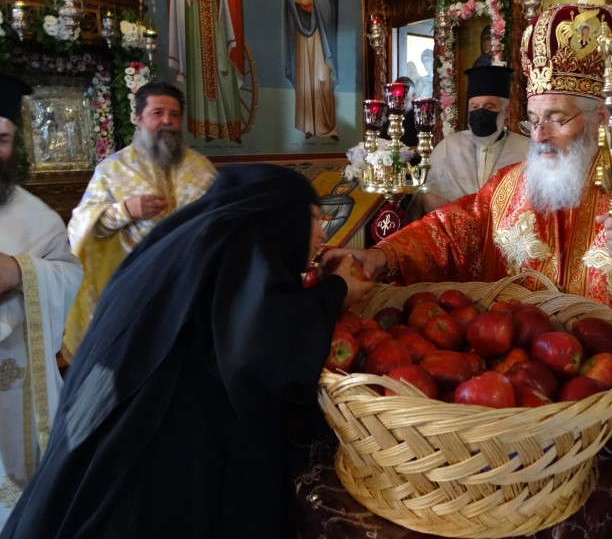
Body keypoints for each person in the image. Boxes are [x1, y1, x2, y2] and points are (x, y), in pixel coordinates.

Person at [323, 3, 612, 496]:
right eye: (533, 118)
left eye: (556, 119)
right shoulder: (514, 184)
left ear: (600, 117)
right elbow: (453, 228)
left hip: (608, 412)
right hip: (511, 407)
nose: (539, 137)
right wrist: (384, 256)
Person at [0, 163, 374, 539]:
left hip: (116, 418)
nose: (323, 230)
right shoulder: (240, 246)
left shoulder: (198, 235)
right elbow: (263, 353)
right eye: (313, 217)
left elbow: (243, 316)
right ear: (280, 213)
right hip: (163, 449)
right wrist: (337, 289)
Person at [63, 81, 217, 361]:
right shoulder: (112, 170)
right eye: (157, 113)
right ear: (138, 118)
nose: (167, 121)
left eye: (174, 115)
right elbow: (82, 226)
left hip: (193, 281)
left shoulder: (201, 167)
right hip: (136, 286)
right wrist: (126, 210)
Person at [0, 74, 83, 531]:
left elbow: (70, 272)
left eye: (3, 140)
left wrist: (20, 272)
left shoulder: (35, 215)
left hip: (18, 387)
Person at [419, 65, 528, 213]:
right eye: (475, 107)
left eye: (489, 107)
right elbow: (427, 195)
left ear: (506, 112)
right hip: (456, 229)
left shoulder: (526, 149)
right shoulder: (447, 147)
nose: (481, 113)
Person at [167, 0, 245, 142]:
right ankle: (205, 128)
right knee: (198, 68)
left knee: (223, 66)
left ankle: (229, 128)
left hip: (218, 14)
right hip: (193, 15)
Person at [282, 0, 339, 141]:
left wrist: (313, 1)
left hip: (319, 30)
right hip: (301, 27)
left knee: (321, 75)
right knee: (306, 75)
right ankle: (308, 125)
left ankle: (327, 126)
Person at [380, 76, 419, 148]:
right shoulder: (388, 116)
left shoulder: (419, 118)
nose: (400, 101)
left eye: (405, 97)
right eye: (396, 97)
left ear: (413, 96)